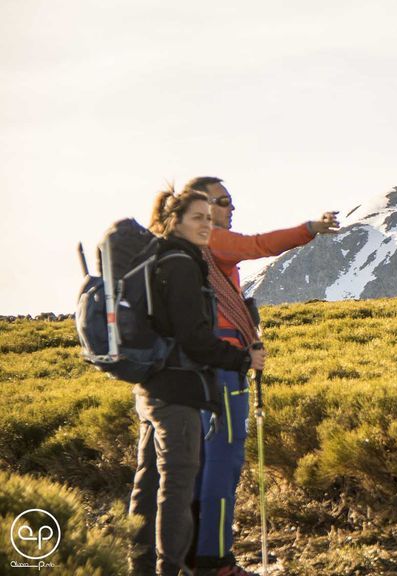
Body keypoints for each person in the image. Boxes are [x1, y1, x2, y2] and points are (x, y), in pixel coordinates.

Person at [182, 176, 339, 576]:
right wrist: (310, 229)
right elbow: (257, 245)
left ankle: (193, 553)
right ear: (199, 208)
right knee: (224, 460)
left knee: (201, 461)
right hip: (223, 365)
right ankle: (214, 560)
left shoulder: (187, 250)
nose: (231, 209)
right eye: (223, 201)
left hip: (200, 367)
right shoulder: (210, 240)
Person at [129, 187, 267, 576]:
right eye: (198, 218)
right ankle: (173, 569)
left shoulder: (156, 258)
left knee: (149, 480)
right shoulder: (181, 264)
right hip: (179, 388)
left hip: (151, 385)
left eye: (210, 217)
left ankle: (141, 566)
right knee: (176, 488)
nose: (208, 224)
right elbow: (194, 337)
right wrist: (242, 358)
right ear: (175, 221)